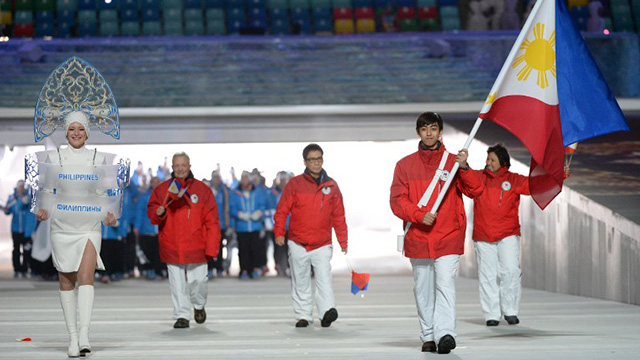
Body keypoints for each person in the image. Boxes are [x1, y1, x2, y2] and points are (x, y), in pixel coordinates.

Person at [389, 112, 483, 354]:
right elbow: (397, 201)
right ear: (418, 132)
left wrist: (465, 167)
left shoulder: (454, 162)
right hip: (419, 236)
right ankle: (428, 335)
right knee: (422, 288)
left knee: (445, 285)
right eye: (424, 128)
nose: (429, 133)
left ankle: (445, 335)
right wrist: (420, 215)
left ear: (440, 132)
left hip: (448, 235)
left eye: (433, 128)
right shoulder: (404, 165)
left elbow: (476, 189)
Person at [35, 113, 120, 357]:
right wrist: (43, 209)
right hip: (62, 226)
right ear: (65, 131)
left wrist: (108, 214)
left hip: (89, 226)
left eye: (80, 129)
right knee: (66, 282)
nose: (75, 132)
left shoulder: (98, 158)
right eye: (71, 128)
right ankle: (72, 337)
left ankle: (84, 335)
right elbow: (47, 191)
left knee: (86, 278)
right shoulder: (54, 158)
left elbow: (102, 193)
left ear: (87, 132)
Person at [274, 143, 348, 328]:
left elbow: (338, 215)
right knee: (301, 280)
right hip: (298, 242)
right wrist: (279, 232)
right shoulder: (295, 184)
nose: (316, 162)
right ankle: (303, 315)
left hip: (322, 242)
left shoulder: (332, 185)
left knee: (324, 278)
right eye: (312, 159)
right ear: (305, 162)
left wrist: (343, 240)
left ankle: (326, 312)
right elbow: (282, 210)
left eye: (319, 158)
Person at [147, 152, 221, 329]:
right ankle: (182, 315)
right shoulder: (163, 190)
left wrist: (212, 248)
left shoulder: (203, 190)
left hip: (197, 246)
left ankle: (199, 305)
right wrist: (158, 212)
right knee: (177, 284)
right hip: (172, 244)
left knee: (199, 282)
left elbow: (212, 221)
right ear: (172, 167)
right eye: (177, 165)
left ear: (189, 166)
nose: (180, 169)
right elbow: (153, 212)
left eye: (183, 165)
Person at [471, 144, 530, 327]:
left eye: (492, 160)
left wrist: (560, 175)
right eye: (487, 159)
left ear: (503, 162)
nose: (488, 162)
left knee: (511, 271)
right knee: (487, 275)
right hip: (483, 233)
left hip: (508, 232)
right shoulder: (479, 178)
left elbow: (536, 185)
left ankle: (510, 311)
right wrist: (463, 165)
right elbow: (464, 178)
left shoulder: (514, 179)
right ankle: (491, 314)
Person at [229, 171, 267, 279]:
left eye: (246, 178)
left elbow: (262, 206)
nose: (244, 180)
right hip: (242, 227)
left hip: (255, 227)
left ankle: (255, 269)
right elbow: (232, 209)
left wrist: (259, 213)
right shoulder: (235, 193)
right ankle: (244, 270)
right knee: (243, 249)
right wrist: (240, 215)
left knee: (255, 249)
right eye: (243, 178)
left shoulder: (257, 192)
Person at [4, 180, 34, 278]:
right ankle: (17, 269)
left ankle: (25, 268)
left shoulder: (28, 197)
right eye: (19, 187)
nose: (21, 189)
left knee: (26, 249)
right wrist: (6, 209)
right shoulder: (12, 198)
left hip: (26, 229)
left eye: (22, 187)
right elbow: (8, 210)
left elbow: (26, 206)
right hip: (16, 228)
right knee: (16, 249)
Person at [135, 176, 163, 280]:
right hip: (147, 229)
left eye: (157, 182)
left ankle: (158, 271)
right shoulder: (144, 197)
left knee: (158, 252)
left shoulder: (164, 197)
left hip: (160, 230)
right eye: (153, 182)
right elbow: (140, 212)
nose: (155, 184)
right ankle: (149, 269)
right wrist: (137, 226)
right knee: (148, 250)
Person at [208, 170, 233, 278]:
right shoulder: (207, 190)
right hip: (209, 225)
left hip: (220, 224)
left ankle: (219, 268)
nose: (216, 180)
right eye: (214, 178)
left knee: (219, 247)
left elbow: (226, 208)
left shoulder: (223, 191)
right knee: (209, 247)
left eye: (218, 178)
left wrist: (228, 224)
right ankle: (210, 268)